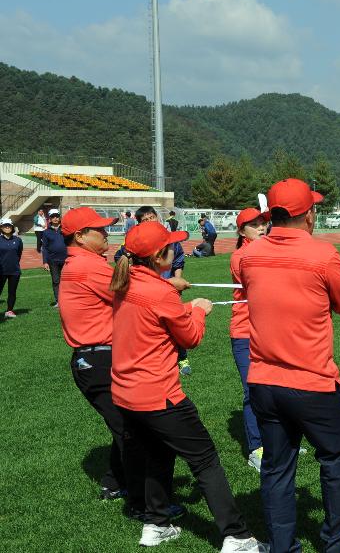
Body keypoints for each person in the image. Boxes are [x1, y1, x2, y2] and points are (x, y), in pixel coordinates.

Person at [109, 222, 265, 552]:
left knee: (158, 454)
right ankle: (236, 536)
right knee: (205, 460)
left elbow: (154, 308)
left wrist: (173, 291)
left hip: (126, 394)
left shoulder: (124, 282)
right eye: (170, 247)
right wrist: (197, 310)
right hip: (159, 394)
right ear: (157, 256)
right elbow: (190, 337)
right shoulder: (159, 292)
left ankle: (156, 524)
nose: (175, 250)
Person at [239, 179, 340, 553]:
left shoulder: (249, 256)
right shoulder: (322, 255)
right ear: (310, 215)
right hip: (313, 381)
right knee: (336, 460)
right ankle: (339, 544)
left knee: (277, 469)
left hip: (264, 381)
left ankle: (282, 546)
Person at [56, 207, 154, 515]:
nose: (107, 233)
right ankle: (145, 506)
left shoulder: (84, 263)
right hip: (98, 360)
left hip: (96, 359)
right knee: (133, 430)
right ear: (81, 236)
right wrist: (169, 289)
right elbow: (136, 294)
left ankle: (115, 483)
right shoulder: (87, 266)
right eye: (100, 229)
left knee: (127, 425)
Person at [114, 206, 191, 375]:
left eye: (152, 218)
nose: (149, 221)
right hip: (151, 293)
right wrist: (198, 309)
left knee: (175, 325)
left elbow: (178, 261)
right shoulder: (134, 240)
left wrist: (176, 281)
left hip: (168, 290)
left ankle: (180, 356)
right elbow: (192, 336)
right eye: (145, 220)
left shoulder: (169, 239)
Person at [229, 208, 268, 472]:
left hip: (270, 330)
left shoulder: (268, 249)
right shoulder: (240, 256)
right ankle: (257, 448)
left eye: (263, 223)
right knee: (252, 391)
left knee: (276, 387)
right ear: (242, 232)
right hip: (245, 332)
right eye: (254, 225)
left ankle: (278, 441)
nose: (261, 228)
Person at [42, 208, 67, 307]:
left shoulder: (65, 229)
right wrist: (45, 262)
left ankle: (67, 299)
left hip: (66, 260)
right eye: (53, 217)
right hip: (53, 261)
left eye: (57, 216)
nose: (56, 218)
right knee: (56, 281)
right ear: (50, 219)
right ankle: (58, 301)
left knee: (67, 281)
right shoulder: (46, 232)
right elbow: (45, 248)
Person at [0, 217, 23, 318]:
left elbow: (19, 254)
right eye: (5, 226)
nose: (7, 227)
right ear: (1, 227)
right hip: (1, 270)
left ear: (12, 227)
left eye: (9, 225)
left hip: (14, 271)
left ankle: (9, 311)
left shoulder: (18, 240)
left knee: (12, 292)